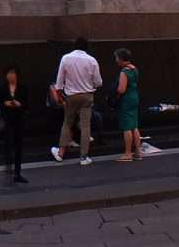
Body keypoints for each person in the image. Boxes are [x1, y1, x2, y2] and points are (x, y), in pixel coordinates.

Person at [50, 37, 102, 166]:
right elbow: (98, 82)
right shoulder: (92, 60)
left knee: (67, 123)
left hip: (71, 95)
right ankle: (84, 156)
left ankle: (61, 152)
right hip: (87, 95)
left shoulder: (66, 58)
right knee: (85, 126)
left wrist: (59, 92)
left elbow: (60, 80)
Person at [0, 66, 28, 184]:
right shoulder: (2, 88)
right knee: (8, 145)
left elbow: (27, 104)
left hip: (19, 119)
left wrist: (19, 104)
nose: (11, 76)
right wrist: (6, 104)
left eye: (13, 74)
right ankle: (8, 168)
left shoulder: (23, 88)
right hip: (7, 119)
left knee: (19, 146)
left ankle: (17, 172)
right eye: (9, 74)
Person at [113, 48, 142, 162]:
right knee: (134, 125)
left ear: (121, 58)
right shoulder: (134, 69)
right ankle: (138, 152)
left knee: (126, 127)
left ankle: (128, 153)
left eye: (116, 57)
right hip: (135, 97)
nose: (116, 60)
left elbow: (121, 89)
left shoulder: (124, 72)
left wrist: (115, 96)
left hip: (126, 99)